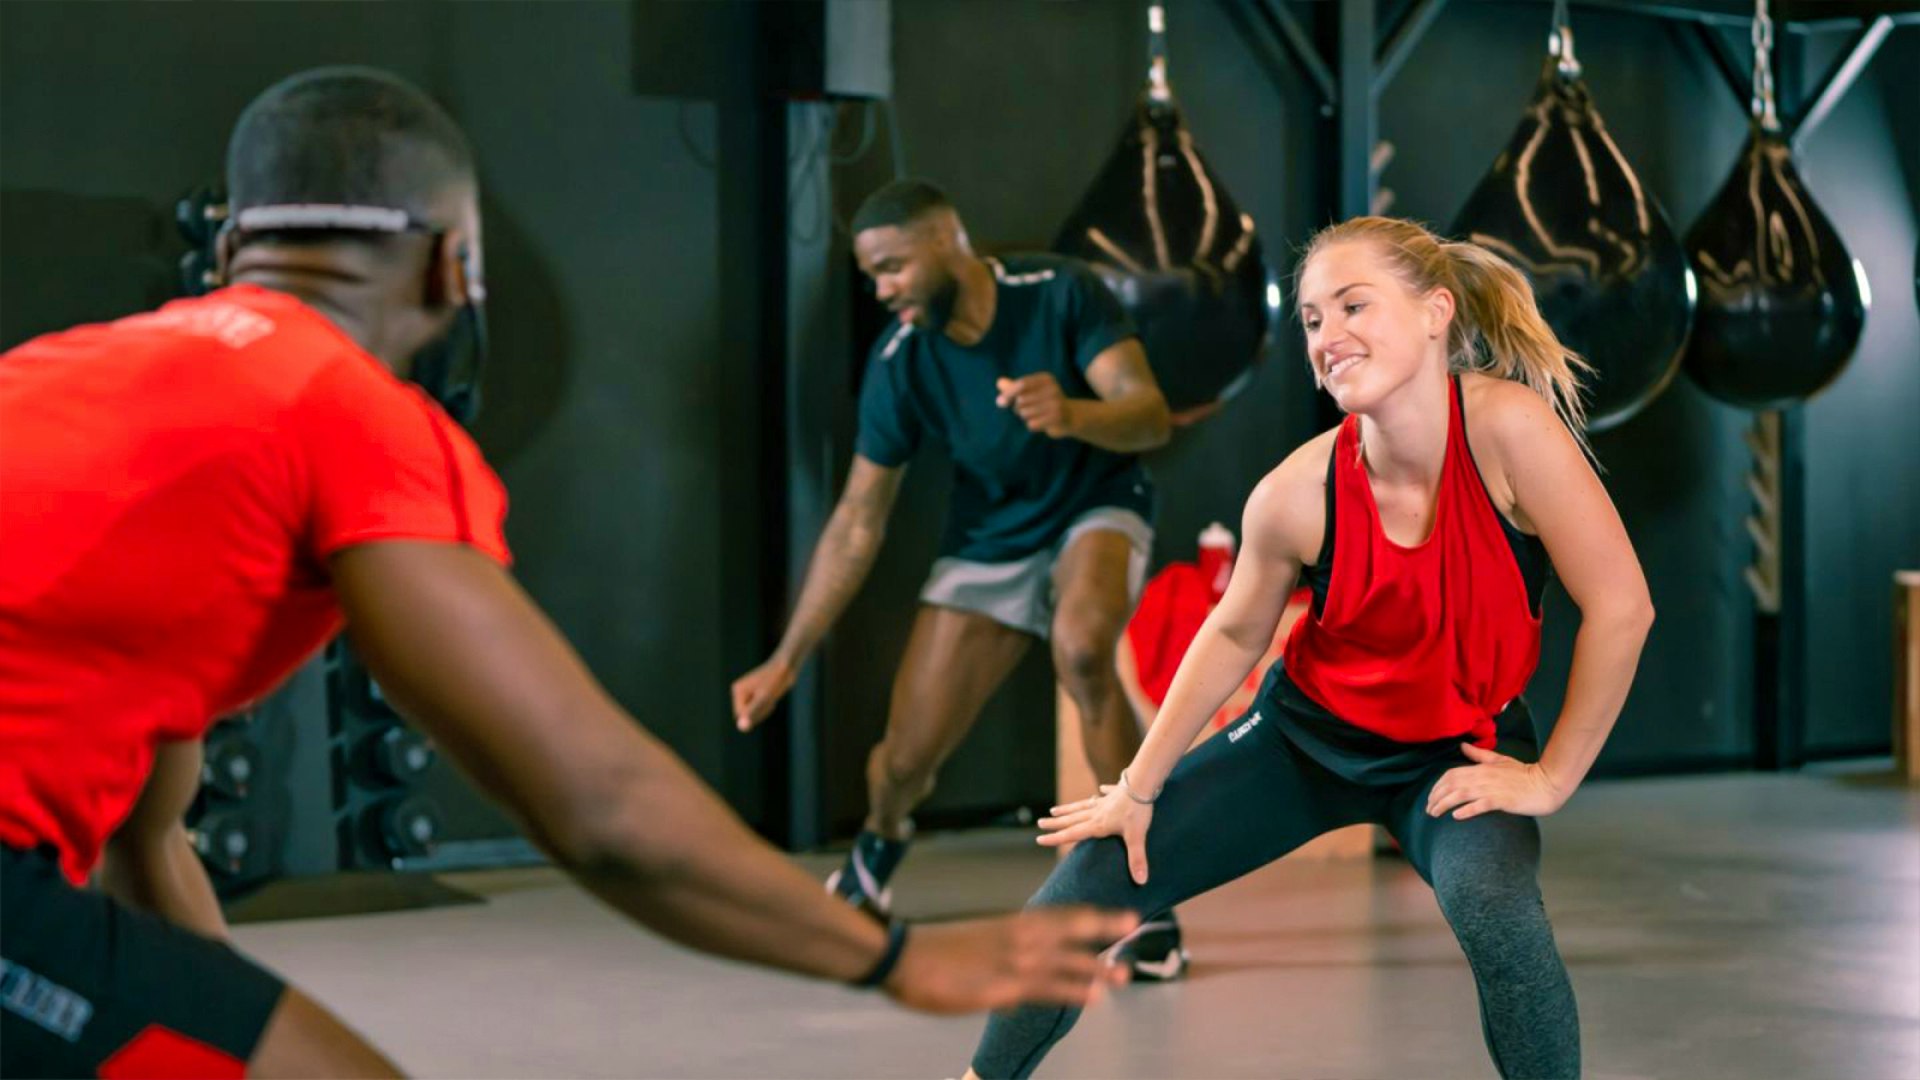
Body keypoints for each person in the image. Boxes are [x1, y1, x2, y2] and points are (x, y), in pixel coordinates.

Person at [0, 68, 1138, 1080]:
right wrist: (890, 959)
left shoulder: (65, 374)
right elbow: (599, 806)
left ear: (227, 251)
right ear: (453, 264)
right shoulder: (344, 409)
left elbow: (146, 840)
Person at [964, 215, 1656, 1080]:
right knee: (1081, 892)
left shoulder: (1511, 433)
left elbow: (1622, 606)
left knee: (1498, 913)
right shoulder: (1296, 492)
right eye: (1313, 319)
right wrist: (1138, 788)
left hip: (1459, 752)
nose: (1329, 336)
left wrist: (1551, 777)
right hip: (1303, 741)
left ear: (1436, 311)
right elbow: (1233, 632)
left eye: (1354, 306)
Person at [729, 180, 1188, 975]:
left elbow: (1147, 414)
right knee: (904, 760)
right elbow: (858, 519)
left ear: (948, 240)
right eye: (871, 275)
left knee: (1084, 649)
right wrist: (787, 657)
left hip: (1098, 502)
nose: (882, 290)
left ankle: (1144, 896)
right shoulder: (901, 362)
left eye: (893, 267)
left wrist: (1073, 413)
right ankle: (875, 855)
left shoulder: (1060, 292)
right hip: (989, 539)